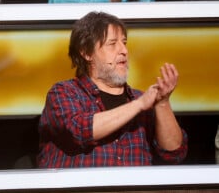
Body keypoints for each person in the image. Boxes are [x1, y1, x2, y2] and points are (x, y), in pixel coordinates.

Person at [37, 11, 187, 167]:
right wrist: (139, 105)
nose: (124, 50)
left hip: (135, 191)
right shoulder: (64, 92)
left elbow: (174, 154)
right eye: (112, 43)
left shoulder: (143, 99)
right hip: (80, 191)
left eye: (124, 42)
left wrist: (162, 103)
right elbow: (79, 130)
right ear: (86, 52)